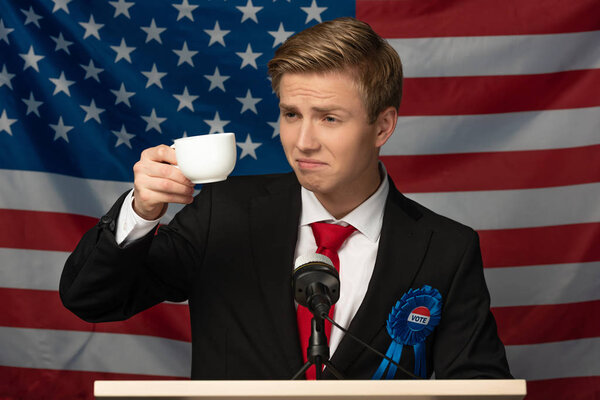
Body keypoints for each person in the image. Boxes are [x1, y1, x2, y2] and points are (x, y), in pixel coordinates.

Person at [60, 17, 511, 380]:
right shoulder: (223, 212)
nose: (303, 142)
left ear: (383, 126)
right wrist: (141, 212)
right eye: (291, 114)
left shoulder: (447, 248)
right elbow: (91, 299)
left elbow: (480, 386)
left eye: (329, 118)